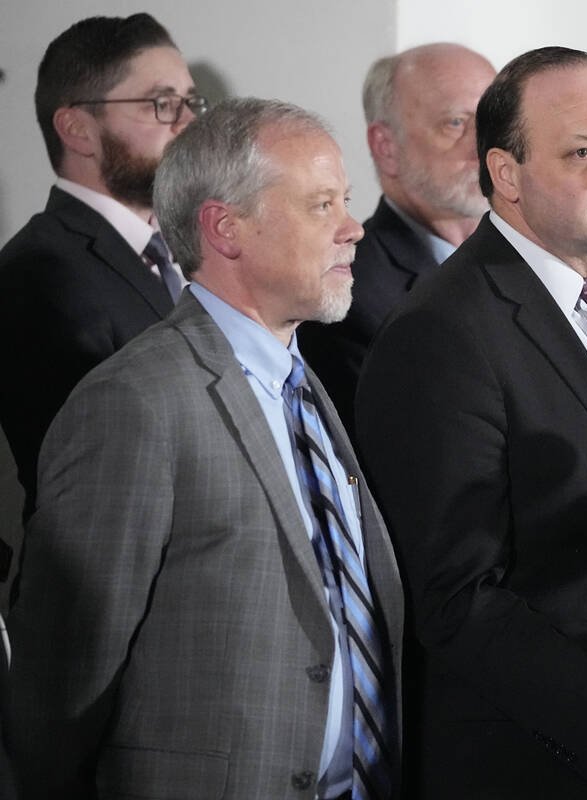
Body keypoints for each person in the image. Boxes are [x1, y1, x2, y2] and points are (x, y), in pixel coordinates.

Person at [355, 47, 587, 798]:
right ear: (506, 174)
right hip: (523, 765)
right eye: (583, 152)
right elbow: (456, 597)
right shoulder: (444, 331)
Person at [2, 98, 405, 799]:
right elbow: (61, 686)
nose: (352, 228)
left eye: (345, 200)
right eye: (320, 205)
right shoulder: (134, 403)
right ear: (225, 228)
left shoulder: (309, 383)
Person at [0, 13, 200, 522]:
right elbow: (93, 475)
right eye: (162, 103)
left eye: (190, 102)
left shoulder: (189, 251)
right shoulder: (37, 274)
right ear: (78, 130)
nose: (187, 122)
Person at [299, 43, 496, 431]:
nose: (482, 146)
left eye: (492, 122)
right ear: (386, 147)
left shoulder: (526, 266)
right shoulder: (347, 294)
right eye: (455, 123)